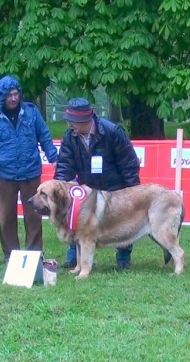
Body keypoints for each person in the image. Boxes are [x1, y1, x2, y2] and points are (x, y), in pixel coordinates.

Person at [0, 75, 58, 263]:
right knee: (6, 216)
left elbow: (44, 136)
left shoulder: (31, 112)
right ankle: (10, 255)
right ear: (1, 98)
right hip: (5, 174)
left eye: (16, 94)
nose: (14, 98)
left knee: (34, 215)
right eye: (9, 96)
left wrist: (53, 157)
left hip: (30, 172)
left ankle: (34, 254)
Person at [54, 98, 140, 270]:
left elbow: (129, 164)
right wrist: (64, 184)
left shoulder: (112, 132)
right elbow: (64, 164)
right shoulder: (70, 137)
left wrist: (132, 192)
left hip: (116, 187)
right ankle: (75, 257)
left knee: (121, 222)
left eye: (72, 122)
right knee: (77, 218)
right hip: (87, 191)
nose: (70, 125)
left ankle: (123, 255)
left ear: (84, 121)